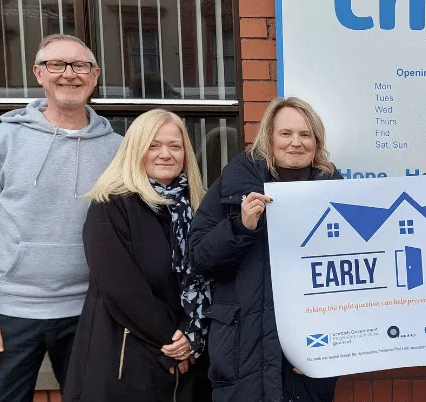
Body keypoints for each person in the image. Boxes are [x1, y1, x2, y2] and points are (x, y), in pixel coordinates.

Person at [0, 34, 123, 402]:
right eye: (57, 65)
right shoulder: (1, 140)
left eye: (80, 66)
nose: (69, 75)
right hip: (7, 312)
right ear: (39, 73)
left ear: (94, 77)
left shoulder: (117, 148)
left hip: (88, 311)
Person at [188, 97, 344, 402]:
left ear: (317, 141)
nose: (295, 143)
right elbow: (200, 258)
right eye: (285, 134)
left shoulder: (336, 192)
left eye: (305, 135)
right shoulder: (232, 185)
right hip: (243, 351)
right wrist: (240, 227)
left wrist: (329, 348)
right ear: (269, 139)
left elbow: (350, 279)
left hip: (308, 353)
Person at [63, 109, 212, 401]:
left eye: (175, 146)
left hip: (189, 358)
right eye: (153, 145)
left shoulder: (198, 207)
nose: (165, 154)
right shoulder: (111, 205)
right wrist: (173, 340)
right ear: (135, 151)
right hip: (126, 357)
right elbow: (120, 287)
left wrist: (191, 335)